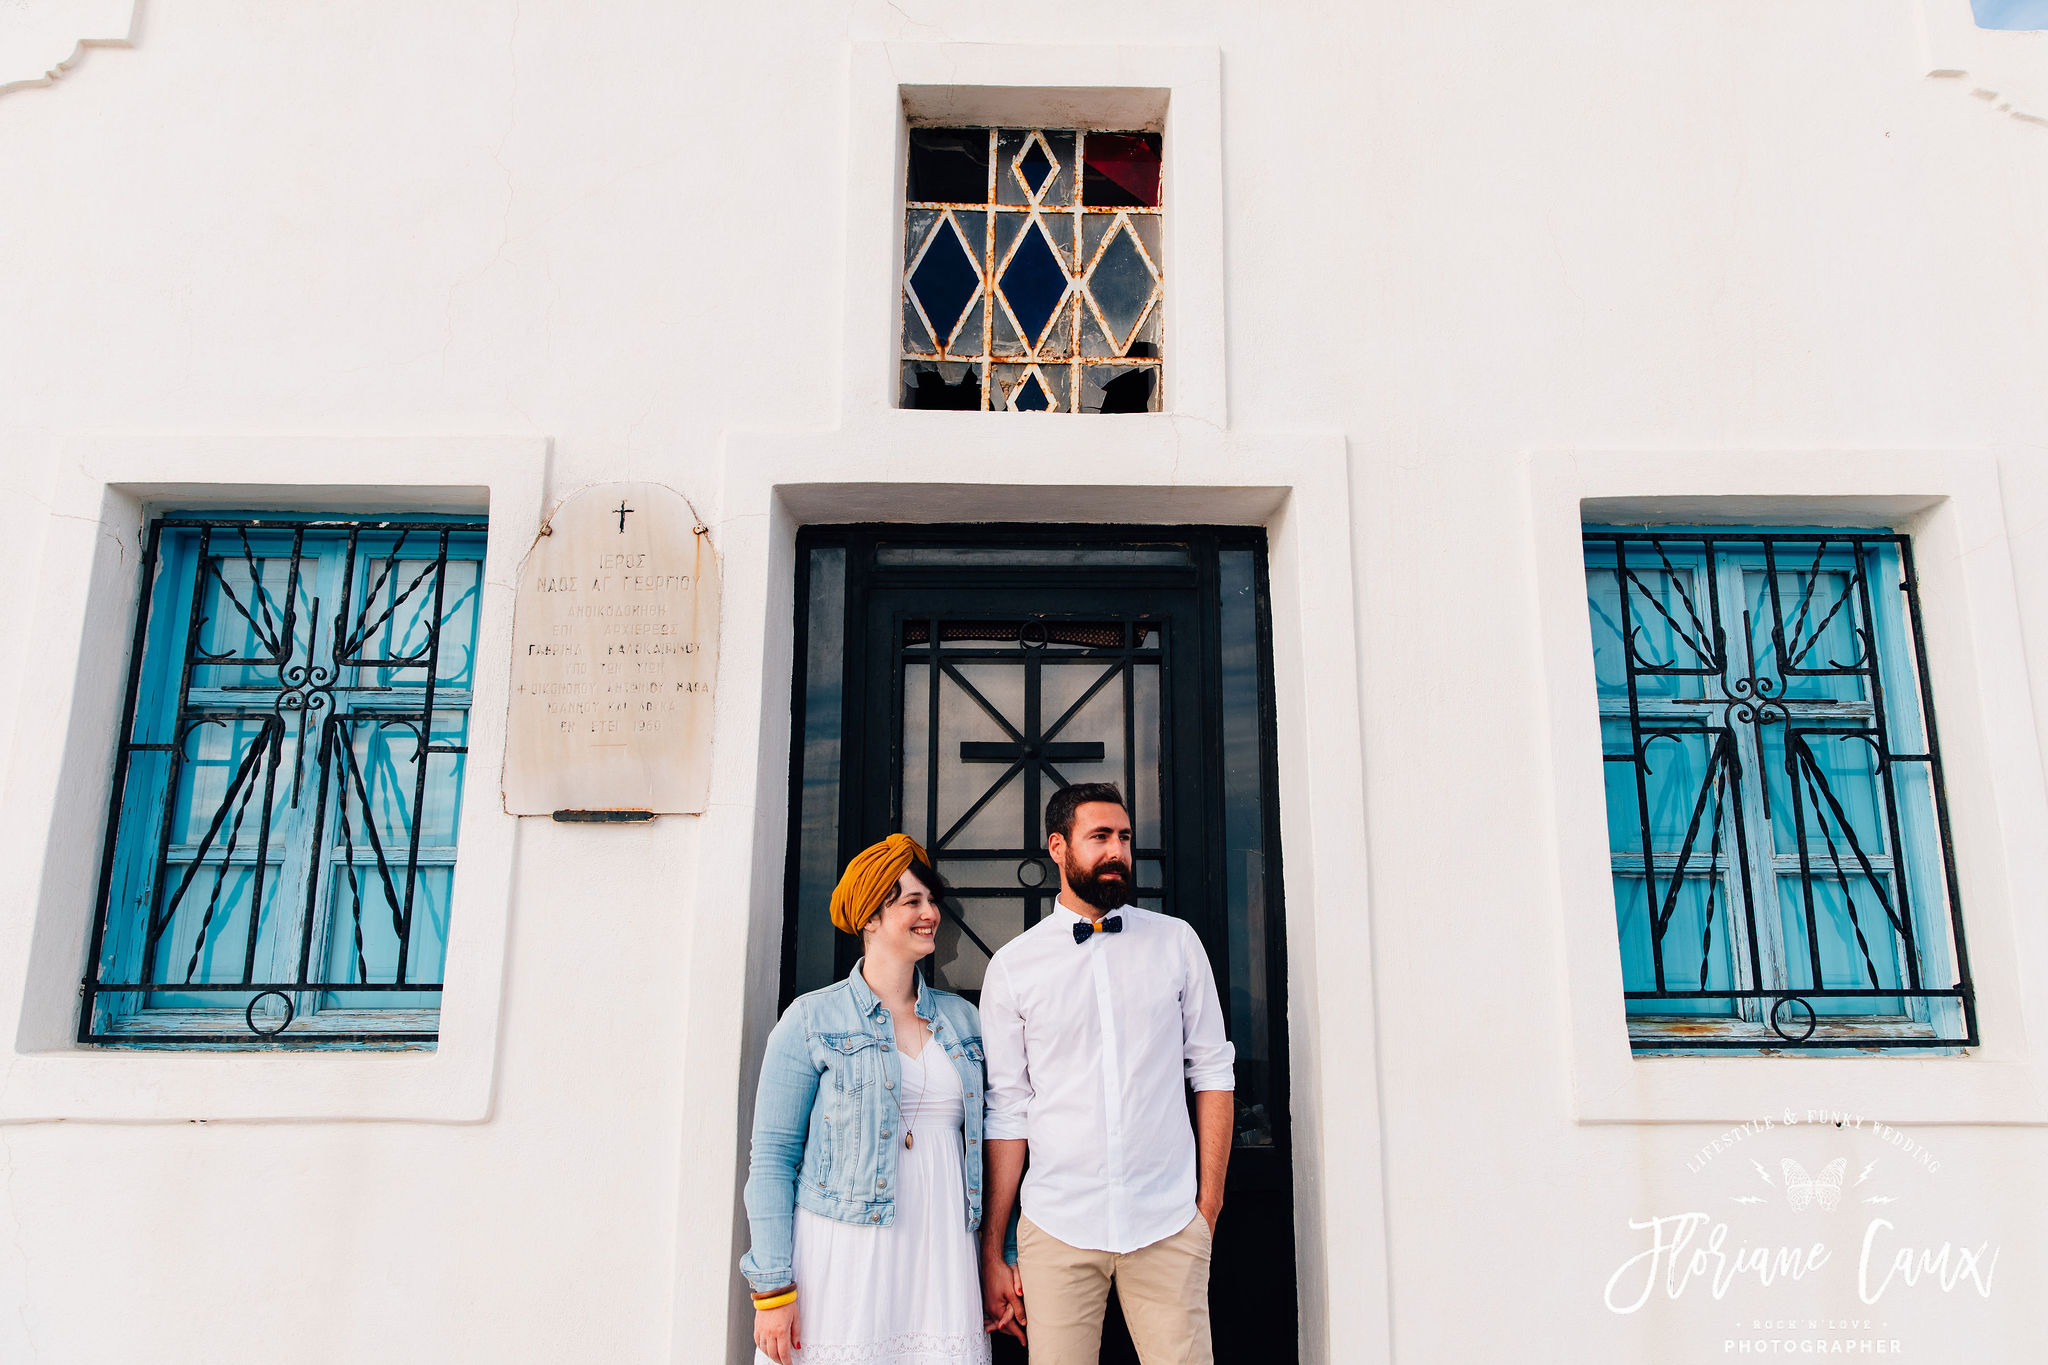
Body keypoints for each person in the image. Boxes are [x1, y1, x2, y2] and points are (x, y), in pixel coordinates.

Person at [978, 783, 1236, 1364]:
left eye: (1123, 837)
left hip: (1168, 1221)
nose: (1117, 850)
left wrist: (1208, 1207)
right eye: (1099, 837)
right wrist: (994, 1248)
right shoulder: (1015, 968)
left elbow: (1213, 1071)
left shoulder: (1177, 944)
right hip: (1057, 1226)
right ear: (1058, 848)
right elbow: (1008, 1108)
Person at [741, 834, 998, 1365]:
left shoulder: (964, 1021)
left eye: (932, 901)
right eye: (911, 902)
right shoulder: (812, 1020)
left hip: (942, 1251)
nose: (930, 913)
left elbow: (998, 1146)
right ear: (870, 919)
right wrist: (772, 1290)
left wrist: (1004, 1252)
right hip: (845, 1255)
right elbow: (771, 1160)